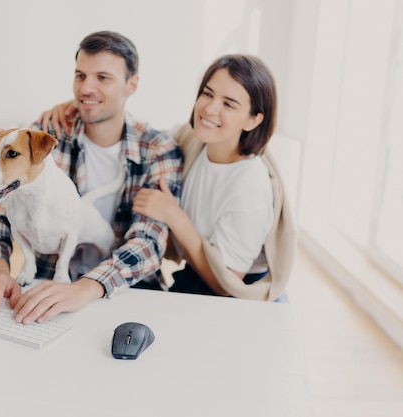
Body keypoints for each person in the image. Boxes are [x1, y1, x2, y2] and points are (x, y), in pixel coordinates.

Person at [0, 31, 183, 323]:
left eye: (102, 78)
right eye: (80, 75)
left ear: (132, 85)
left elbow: (149, 241)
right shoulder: (48, 128)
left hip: (128, 291)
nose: (86, 88)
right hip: (47, 288)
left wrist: (88, 287)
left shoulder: (158, 150)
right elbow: (1, 206)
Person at [43, 54, 297, 301]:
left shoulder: (249, 186)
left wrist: (174, 216)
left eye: (229, 104)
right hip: (195, 273)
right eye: (207, 94)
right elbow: (143, 138)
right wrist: (79, 108)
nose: (209, 108)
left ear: (254, 120)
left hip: (236, 293)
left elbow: (227, 284)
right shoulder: (193, 140)